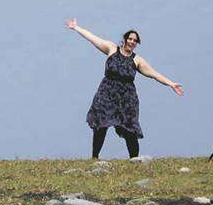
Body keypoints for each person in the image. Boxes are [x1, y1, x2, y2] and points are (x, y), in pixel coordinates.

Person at [65, 18, 184, 158]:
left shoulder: (137, 60)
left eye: (135, 40)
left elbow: (154, 74)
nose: (132, 42)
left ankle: (135, 160)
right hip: (106, 93)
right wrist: (76, 28)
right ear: (125, 39)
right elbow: (92, 38)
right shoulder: (111, 48)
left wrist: (170, 84)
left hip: (127, 98)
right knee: (100, 125)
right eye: (130, 39)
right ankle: (95, 157)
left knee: (130, 129)